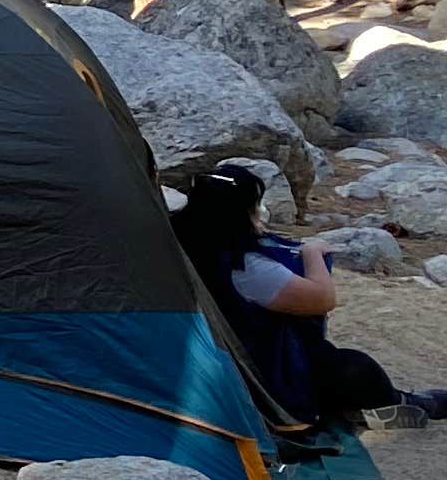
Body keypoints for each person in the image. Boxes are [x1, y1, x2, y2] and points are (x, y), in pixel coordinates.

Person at [172, 164, 447, 427]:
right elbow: (322, 299)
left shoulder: (179, 243)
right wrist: (312, 253)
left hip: (199, 359)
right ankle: (402, 402)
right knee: (352, 367)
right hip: (258, 370)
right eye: (254, 208)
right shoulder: (247, 268)